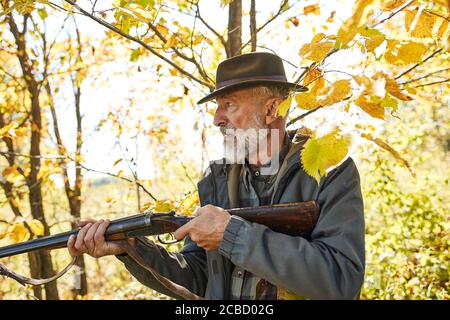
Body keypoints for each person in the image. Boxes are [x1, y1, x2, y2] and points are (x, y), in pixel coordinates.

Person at [67, 52, 365, 300]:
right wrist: (130, 248)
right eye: (217, 107)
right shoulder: (217, 178)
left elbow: (340, 281)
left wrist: (231, 234)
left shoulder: (330, 169)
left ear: (272, 108)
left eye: (229, 105)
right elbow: (198, 276)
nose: (216, 119)